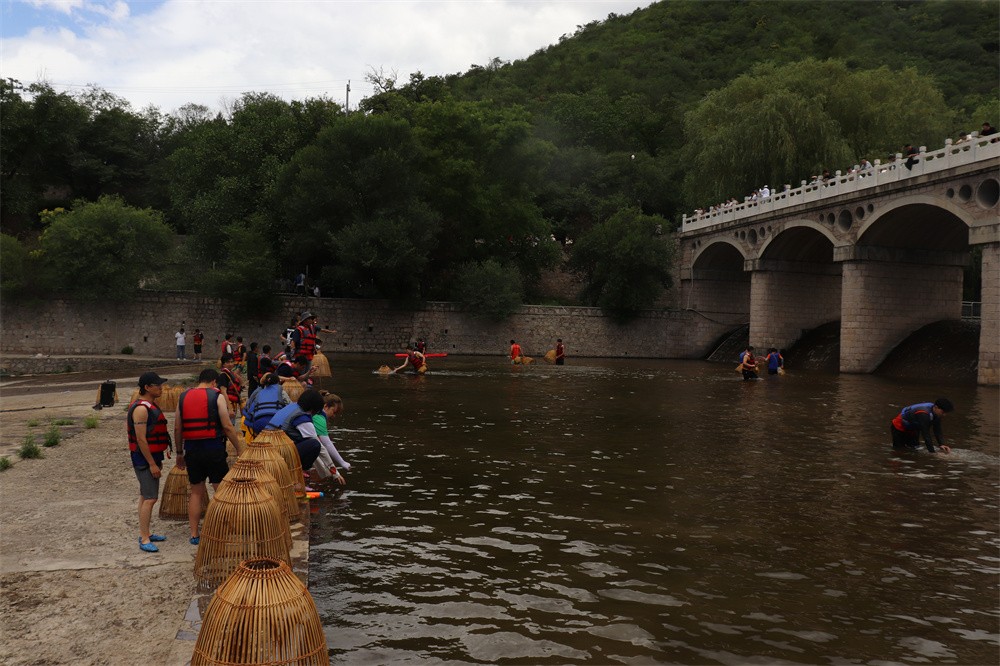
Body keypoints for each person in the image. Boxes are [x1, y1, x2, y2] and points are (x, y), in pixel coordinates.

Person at [174, 368, 243, 544]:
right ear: (214, 382)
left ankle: (194, 534)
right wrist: (239, 448)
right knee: (221, 490)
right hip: (213, 449)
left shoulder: (183, 397)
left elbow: (177, 428)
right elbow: (227, 426)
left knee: (196, 493)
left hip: (192, 450)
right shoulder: (217, 396)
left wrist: (179, 453)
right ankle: (228, 529)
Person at [128, 372, 172, 553]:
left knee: (145, 495)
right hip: (144, 458)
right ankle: (144, 539)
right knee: (150, 498)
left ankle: (145, 532)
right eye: (157, 385)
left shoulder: (149, 405)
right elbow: (141, 440)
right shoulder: (141, 409)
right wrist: (152, 464)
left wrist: (157, 459)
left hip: (152, 456)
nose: (161, 388)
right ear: (147, 387)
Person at [264, 390, 325, 473]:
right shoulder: (302, 418)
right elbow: (321, 447)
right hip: (278, 452)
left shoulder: (291, 407)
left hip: (266, 446)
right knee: (315, 444)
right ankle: (299, 471)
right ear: (312, 408)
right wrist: (334, 471)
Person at [311, 392, 351, 486]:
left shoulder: (316, 414)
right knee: (326, 473)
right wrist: (342, 462)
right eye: (334, 411)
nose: (334, 416)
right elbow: (327, 443)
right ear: (325, 406)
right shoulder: (319, 418)